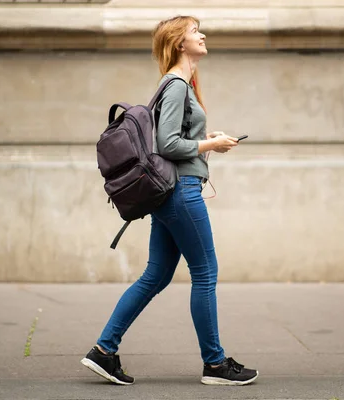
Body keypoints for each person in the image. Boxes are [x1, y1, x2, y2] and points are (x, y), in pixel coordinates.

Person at [81, 15, 258, 386]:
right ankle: (215, 364)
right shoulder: (176, 84)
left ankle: (103, 351)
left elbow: (173, 137)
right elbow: (169, 145)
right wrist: (212, 144)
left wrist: (205, 136)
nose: (203, 35)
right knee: (205, 273)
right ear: (180, 43)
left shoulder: (179, 84)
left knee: (155, 275)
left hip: (169, 194)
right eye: (196, 31)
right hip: (181, 193)